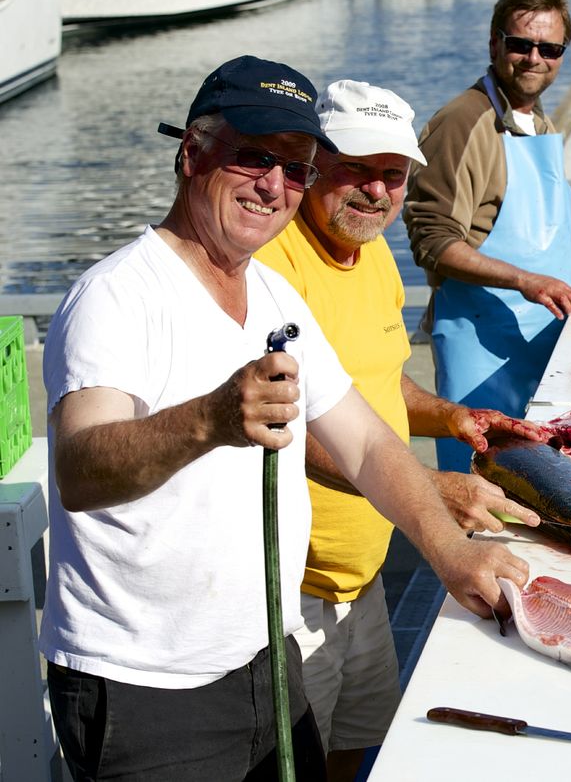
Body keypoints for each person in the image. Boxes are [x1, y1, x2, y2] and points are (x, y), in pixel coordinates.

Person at [40, 55, 529, 781]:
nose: (274, 185)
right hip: (147, 687)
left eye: (296, 168)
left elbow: (366, 443)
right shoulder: (114, 296)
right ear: (192, 153)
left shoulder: (273, 296)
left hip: (266, 657)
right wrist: (207, 419)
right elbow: (80, 471)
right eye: (254, 158)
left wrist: (452, 553)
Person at [255, 78, 548, 780]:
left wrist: (449, 414)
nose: (377, 192)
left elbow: (380, 380)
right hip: (292, 591)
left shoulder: (375, 253)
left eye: (393, 174)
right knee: (297, 760)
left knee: (358, 745)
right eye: (356, 168)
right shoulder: (271, 268)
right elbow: (289, 429)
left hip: (367, 577)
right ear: (311, 162)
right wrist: (429, 489)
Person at [403, 0, 571, 471]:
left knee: (544, 484)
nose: (534, 57)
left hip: (541, 338)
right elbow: (432, 241)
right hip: (482, 349)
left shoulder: (538, 120)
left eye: (549, 48)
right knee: (484, 491)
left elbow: (535, 233)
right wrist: (524, 281)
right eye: (520, 44)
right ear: (495, 43)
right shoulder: (462, 122)